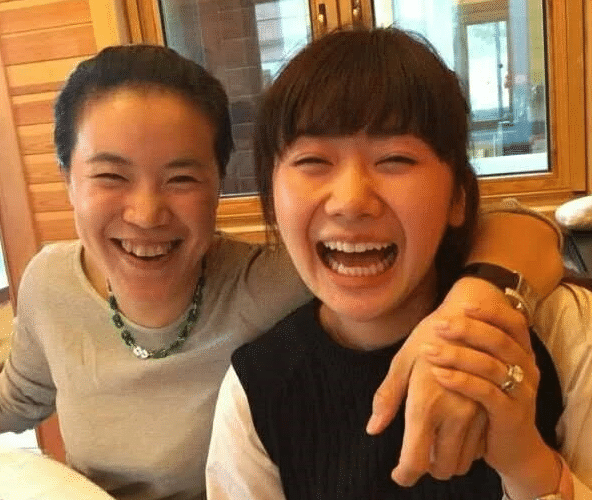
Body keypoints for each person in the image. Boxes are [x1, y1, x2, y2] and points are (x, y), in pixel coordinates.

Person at [0, 44, 563, 500]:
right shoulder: (50, 283)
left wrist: (476, 308)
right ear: (67, 178)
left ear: (220, 186)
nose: (146, 213)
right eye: (110, 176)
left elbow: (517, 227)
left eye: (182, 178)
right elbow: (17, 398)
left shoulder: (277, 281)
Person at [206, 27, 592, 499]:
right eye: (312, 161)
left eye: (394, 159)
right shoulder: (257, 388)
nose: (351, 201)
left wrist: (527, 462)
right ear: (271, 196)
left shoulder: (559, 330)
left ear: (458, 197)